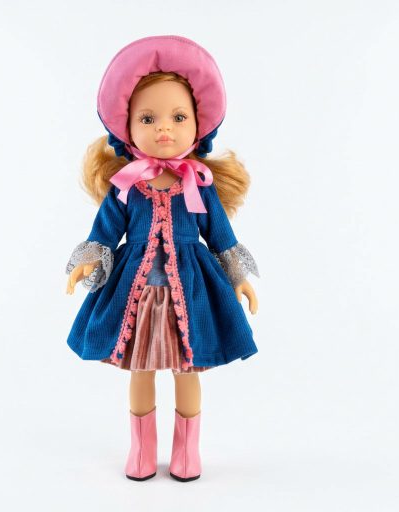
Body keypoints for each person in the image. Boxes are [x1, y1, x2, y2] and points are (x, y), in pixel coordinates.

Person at [65, 35, 260, 482]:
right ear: (126, 127)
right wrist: (88, 261)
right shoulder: (128, 186)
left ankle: (187, 452)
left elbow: (221, 235)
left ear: (199, 125)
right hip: (138, 294)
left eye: (178, 117)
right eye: (148, 118)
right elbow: (105, 230)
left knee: (188, 370)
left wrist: (238, 277)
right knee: (141, 370)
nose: (164, 129)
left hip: (189, 292)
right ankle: (141, 450)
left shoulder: (200, 184)